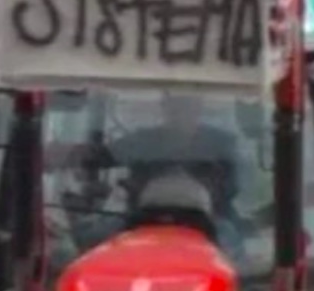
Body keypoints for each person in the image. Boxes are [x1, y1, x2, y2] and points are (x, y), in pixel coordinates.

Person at [60, 92, 249, 264]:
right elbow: (103, 156)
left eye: (187, 107)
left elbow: (233, 186)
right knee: (89, 242)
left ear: (198, 109)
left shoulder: (222, 144)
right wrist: (70, 154)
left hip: (209, 219)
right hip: (141, 219)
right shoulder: (143, 140)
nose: (180, 113)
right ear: (164, 108)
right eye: (174, 107)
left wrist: (210, 189)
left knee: (231, 247)